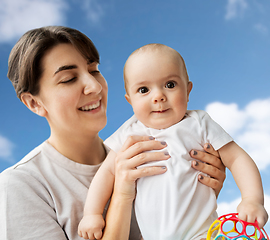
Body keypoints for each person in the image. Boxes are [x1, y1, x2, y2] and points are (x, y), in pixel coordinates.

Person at [0, 26, 227, 240]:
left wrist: (202, 192)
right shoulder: (21, 186)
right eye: (69, 79)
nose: (95, 86)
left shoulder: (149, 150)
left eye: (94, 70)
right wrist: (121, 196)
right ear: (34, 103)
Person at [78, 44, 268, 240]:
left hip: (202, 233)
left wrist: (252, 199)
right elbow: (107, 172)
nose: (158, 96)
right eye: (144, 89)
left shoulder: (199, 123)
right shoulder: (130, 132)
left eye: (170, 85)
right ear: (129, 100)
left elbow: (237, 159)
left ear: (188, 90)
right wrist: (92, 213)